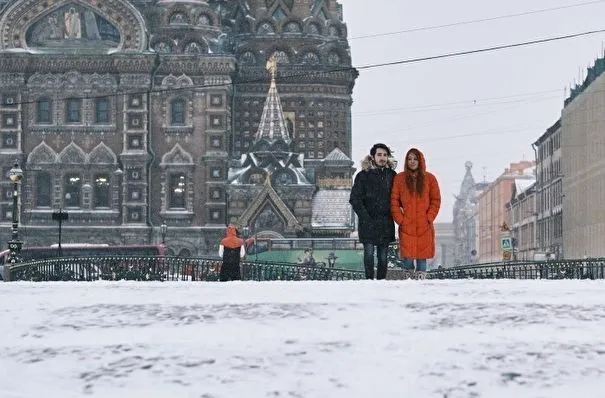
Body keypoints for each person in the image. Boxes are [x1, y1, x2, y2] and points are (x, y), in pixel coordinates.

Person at [390, 148, 441, 280]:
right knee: (407, 257)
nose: (412, 161)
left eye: (415, 159)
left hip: (424, 224)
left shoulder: (430, 179)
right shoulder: (400, 179)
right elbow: (394, 200)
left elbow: (436, 200)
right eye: (409, 159)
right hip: (407, 224)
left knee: (421, 256)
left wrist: (429, 217)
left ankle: (420, 283)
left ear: (420, 160)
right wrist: (400, 219)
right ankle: (408, 281)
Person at [349, 143, 397, 279]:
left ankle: (381, 282)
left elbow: (398, 197)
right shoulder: (363, 176)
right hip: (368, 222)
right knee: (369, 254)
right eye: (379, 154)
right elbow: (355, 199)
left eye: (385, 155)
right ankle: (369, 281)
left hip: (385, 222)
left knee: (383, 257)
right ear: (373, 156)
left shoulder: (392, 176)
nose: (382, 158)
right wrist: (365, 217)